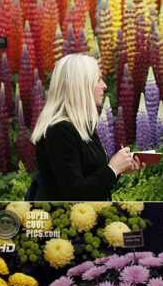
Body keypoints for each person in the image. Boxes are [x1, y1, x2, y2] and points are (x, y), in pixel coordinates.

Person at [30, 53, 140, 200]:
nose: (105, 86)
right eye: (99, 79)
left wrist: (119, 169)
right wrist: (112, 168)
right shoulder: (59, 130)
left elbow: (92, 181)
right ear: (81, 86)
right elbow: (75, 193)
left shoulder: (80, 126)